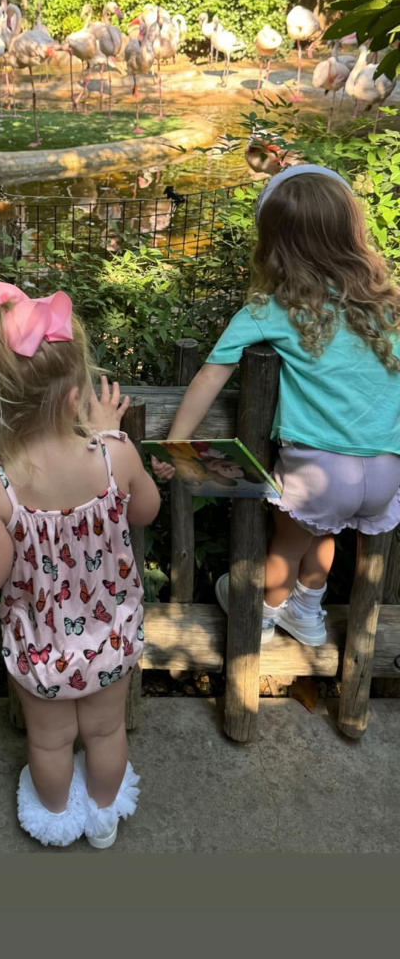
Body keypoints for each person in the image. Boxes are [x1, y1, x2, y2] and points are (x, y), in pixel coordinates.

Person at [0, 269, 160, 849]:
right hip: (112, 637)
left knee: (49, 742)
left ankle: (54, 817)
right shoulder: (114, 455)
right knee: (105, 729)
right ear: (77, 392)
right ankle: (102, 820)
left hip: (41, 646)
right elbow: (145, 509)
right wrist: (113, 438)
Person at [153, 164, 400, 647]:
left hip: (318, 465)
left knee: (287, 545)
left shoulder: (272, 309)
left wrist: (177, 442)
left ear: (275, 242)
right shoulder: (387, 305)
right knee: (323, 535)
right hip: (385, 469)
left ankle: (263, 614)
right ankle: (307, 615)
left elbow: (210, 374)